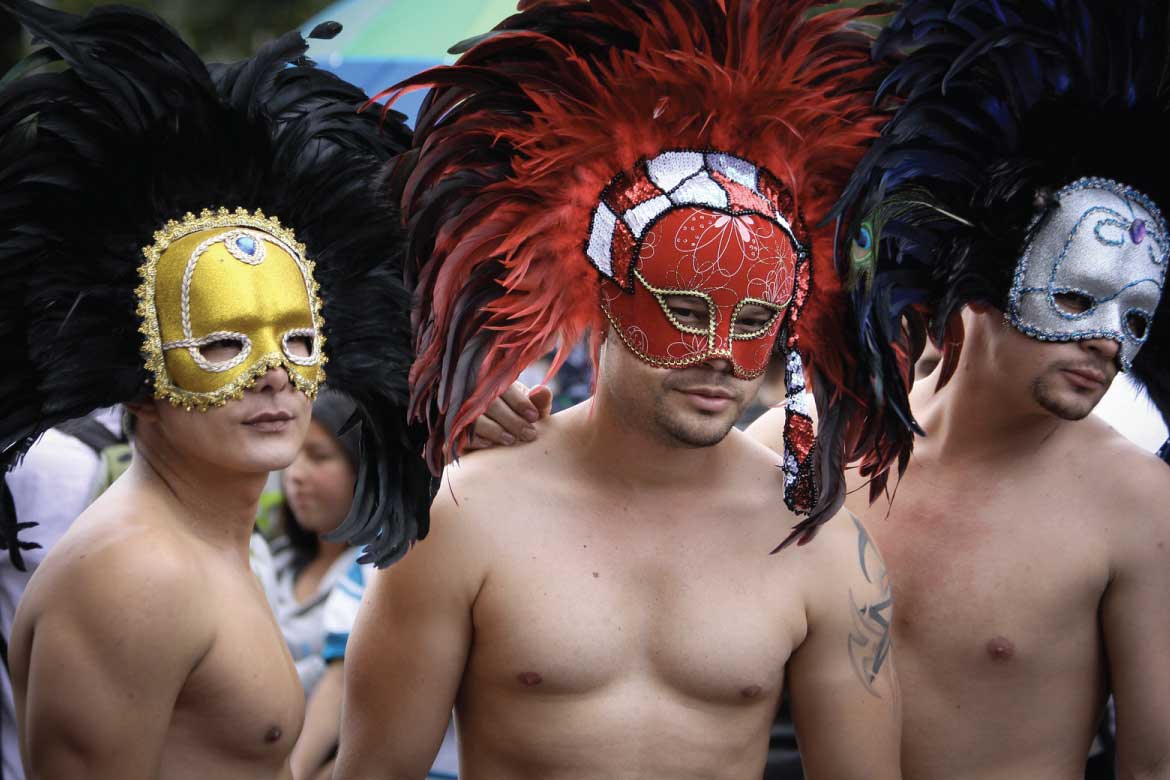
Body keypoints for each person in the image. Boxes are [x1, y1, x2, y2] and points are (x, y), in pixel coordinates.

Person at [335, 3, 907, 778]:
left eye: (755, 321)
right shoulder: (465, 516)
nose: (719, 356)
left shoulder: (816, 538)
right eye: (684, 309)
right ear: (600, 290)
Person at [0, 3, 429, 776]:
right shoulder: (135, 577)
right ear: (134, 381)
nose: (275, 373)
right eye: (223, 343)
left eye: (299, 341)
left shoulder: (209, 545)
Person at [745, 1, 1170, 776]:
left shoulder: (1138, 505)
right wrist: (505, 432)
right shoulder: (802, 449)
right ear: (979, 285)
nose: (1109, 339)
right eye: (1075, 297)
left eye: (1137, 314)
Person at [263, 392, 365, 693]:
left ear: (361, 467)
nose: (295, 475)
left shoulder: (380, 574)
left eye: (318, 456)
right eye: (291, 457)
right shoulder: (273, 564)